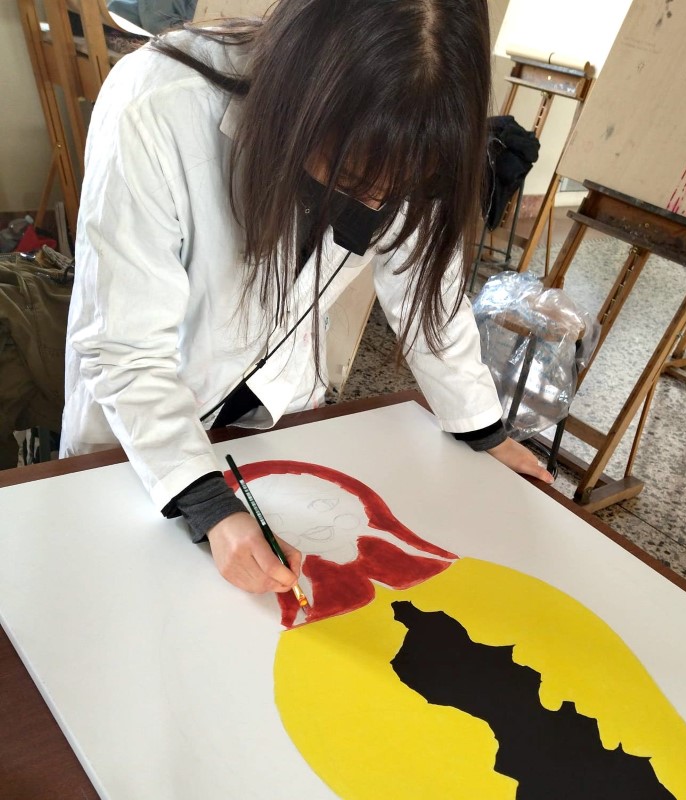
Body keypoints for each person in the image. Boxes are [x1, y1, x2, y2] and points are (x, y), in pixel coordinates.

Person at [61, 0, 554, 599]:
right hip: (145, 430)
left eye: (399, 187)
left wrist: (483, 429)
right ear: (304, 93)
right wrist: (207, 502)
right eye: (352, 178)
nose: (375, 204)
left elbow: (431, 295)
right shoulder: (160, 103)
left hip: (273, 415)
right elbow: (126, 345)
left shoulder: (419, 125)